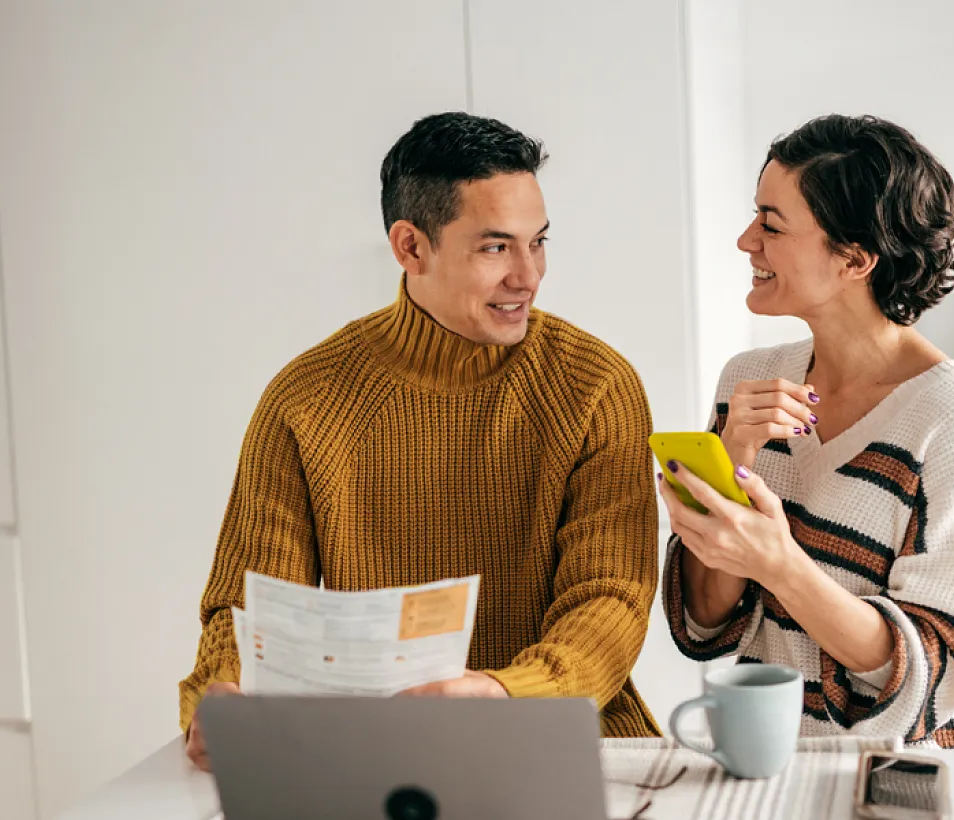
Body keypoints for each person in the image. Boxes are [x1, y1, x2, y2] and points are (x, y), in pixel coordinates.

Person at [180, 112, 662, 771]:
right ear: (411, 247)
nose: (528, 275)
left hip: (571, 741)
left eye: (538, 242)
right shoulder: (304, 399)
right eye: (495, 248)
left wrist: (502, 694)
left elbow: (611, 598)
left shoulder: (595, 385)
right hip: (377, 756)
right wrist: (225, 694)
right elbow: (249, 608)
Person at [660, 114, 954, 749]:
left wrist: (779, 564)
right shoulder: (748, 383)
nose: (746, 241)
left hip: (919, 771)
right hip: (785, 759)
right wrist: (728, 471)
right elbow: (705, 625)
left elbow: (934, 675)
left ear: (854, 259)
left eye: (771, 225)